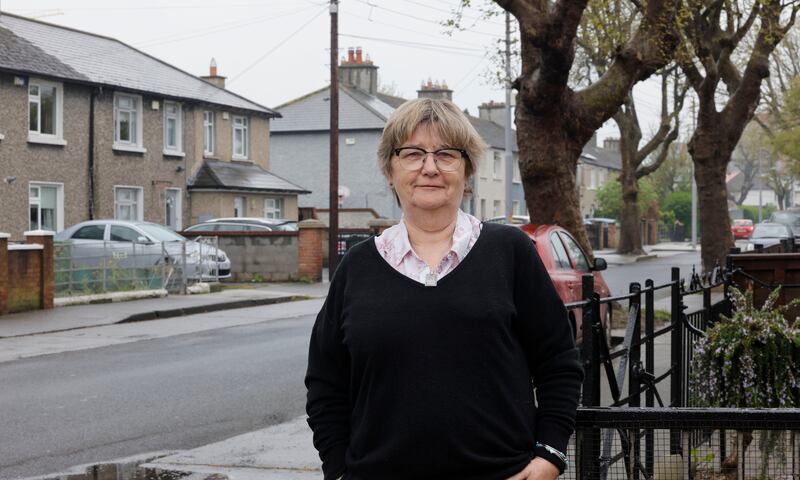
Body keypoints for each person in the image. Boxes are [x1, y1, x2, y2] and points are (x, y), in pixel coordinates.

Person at [305, 98, 583, 480]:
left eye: (446, 154)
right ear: (390, 170)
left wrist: (550, 454)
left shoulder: (511, 253)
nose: (430, 168)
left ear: (466, 172)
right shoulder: (357, 267)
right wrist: (337, 467)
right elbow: (326, 381)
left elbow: (559, 361)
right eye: (413, 154)